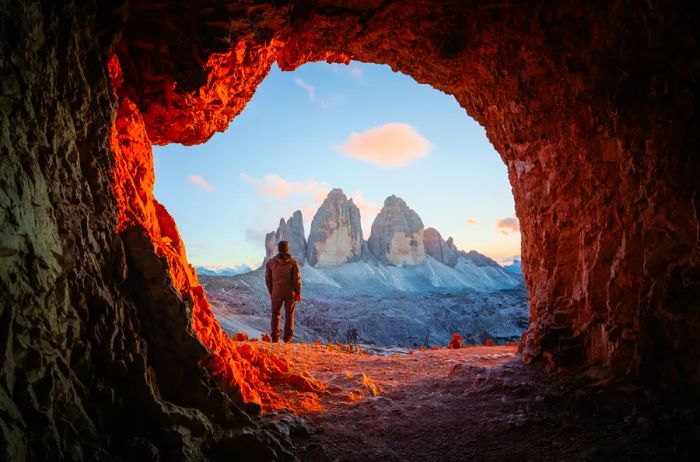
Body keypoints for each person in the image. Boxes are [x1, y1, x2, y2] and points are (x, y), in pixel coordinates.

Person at [265, 240, 302, 343]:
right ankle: (287, 339)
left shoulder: (270, 262)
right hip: (290, 293)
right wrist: (298, 293)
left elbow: (268, 279)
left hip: (276, 292)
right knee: (289, 315)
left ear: (278, 249)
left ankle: (275, 338)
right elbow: (297, 279)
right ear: (287, 249)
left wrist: (271, 292)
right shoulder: (293, 262)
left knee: (275, 314)